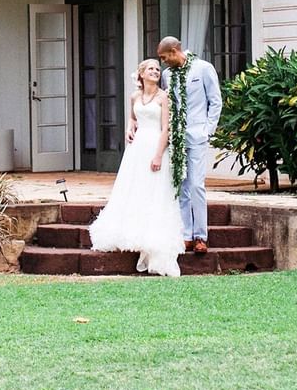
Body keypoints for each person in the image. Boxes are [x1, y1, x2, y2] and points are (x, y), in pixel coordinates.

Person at [88, 59, 185, 276]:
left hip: (154, 147)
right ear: (141, 73)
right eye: (151, 69)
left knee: (154, 191)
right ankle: (130, 231)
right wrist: (129, 128)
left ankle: (151, 238)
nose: (155, 72)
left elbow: (165, 129)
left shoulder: (163, 97)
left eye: (158, 69)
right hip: (137, 149)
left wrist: (159, 155)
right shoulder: (135, 97)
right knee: (134, 188)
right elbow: (133, 118)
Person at [157, 36, 222, 254]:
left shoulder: (203, 68)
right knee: (181, 185)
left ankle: (201, 236)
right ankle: (186, 234)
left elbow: (215, 100)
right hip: (177, 137)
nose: (163, 62)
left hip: (197, 134)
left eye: (165, 57)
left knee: (196, 184)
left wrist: (208, 130)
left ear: (175, 51)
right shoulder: (167, 75)